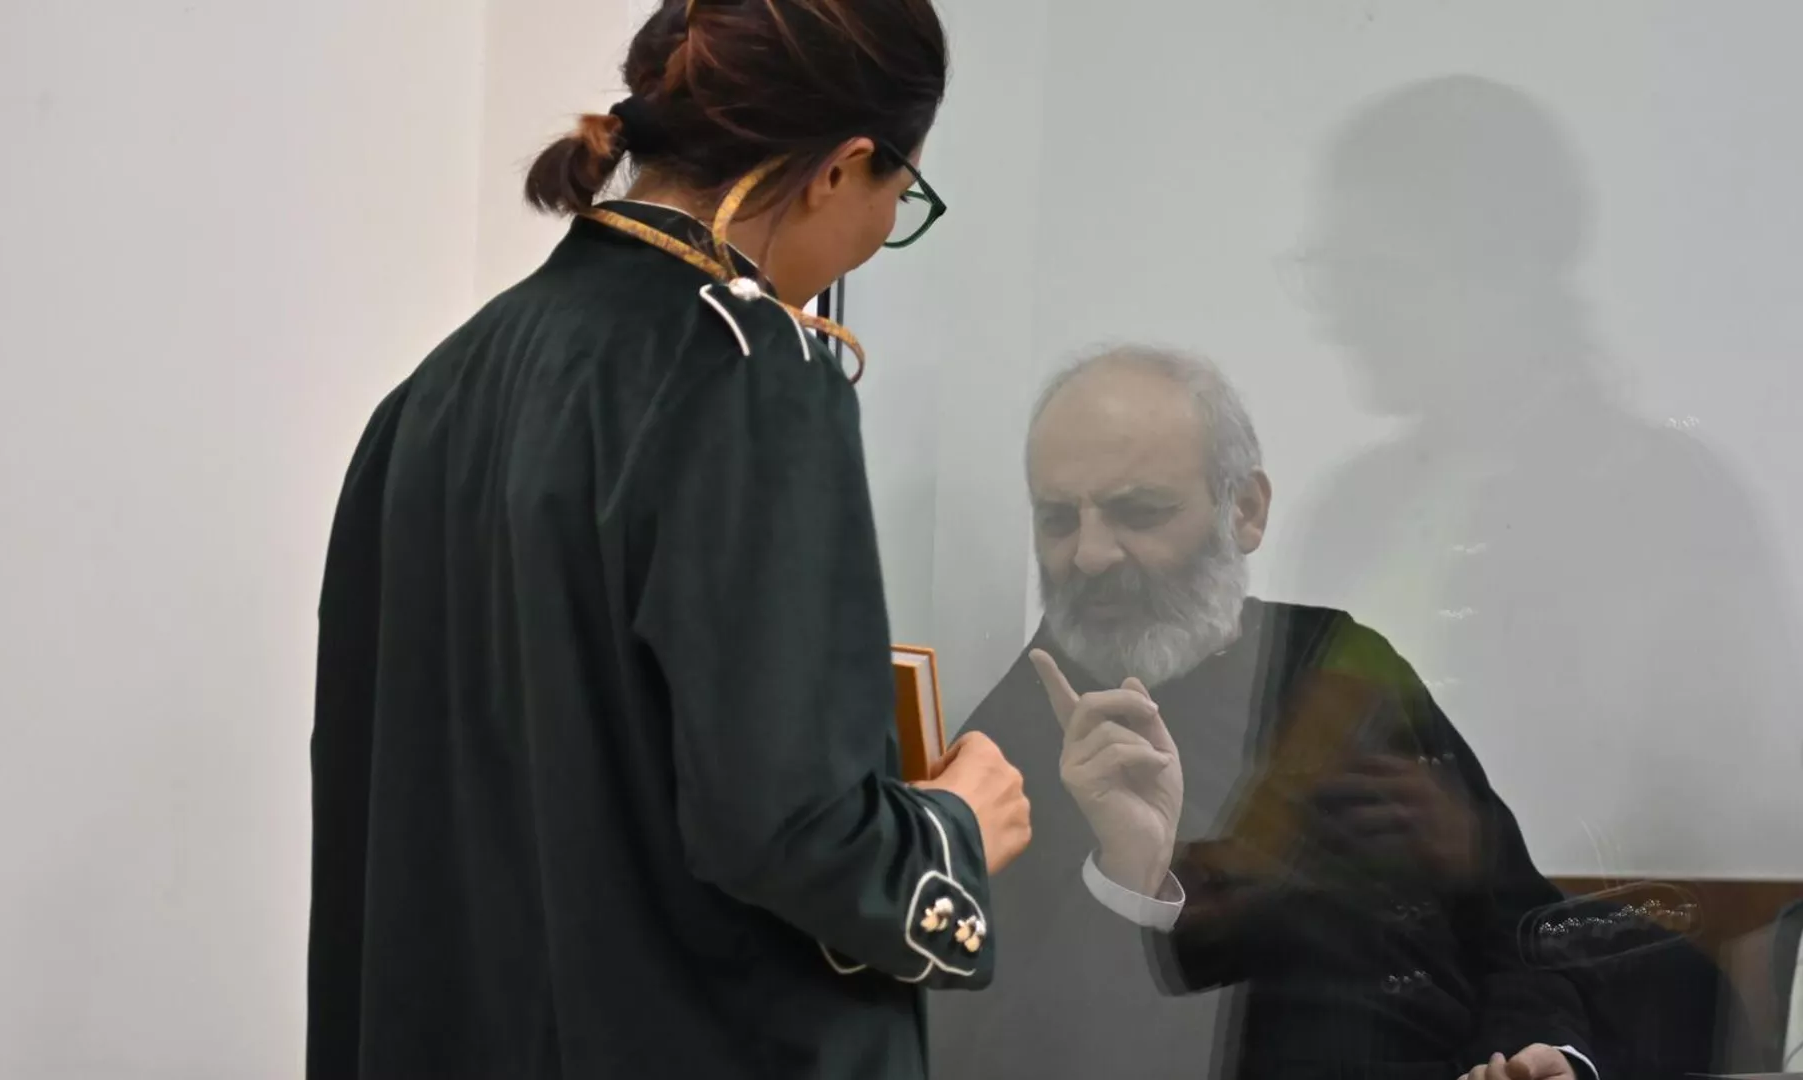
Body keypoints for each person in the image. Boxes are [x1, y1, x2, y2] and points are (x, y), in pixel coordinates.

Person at [307, 2, 1030, 1078]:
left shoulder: (433, 394)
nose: (884, 230)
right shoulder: (746, 377)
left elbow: (403, 809)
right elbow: (791, 828)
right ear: (843, 168)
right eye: (900, 194)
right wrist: (952, 834)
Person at [929, 346, 1595, 1080]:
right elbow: (992, 1046)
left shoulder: (1339, 654)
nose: (1088, 554)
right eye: (1058, 519)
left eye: (1138, 511)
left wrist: (1547, 1053)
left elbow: (1521, 924)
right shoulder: (1005, 752)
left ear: (1245, 510)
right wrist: (1128, 880)